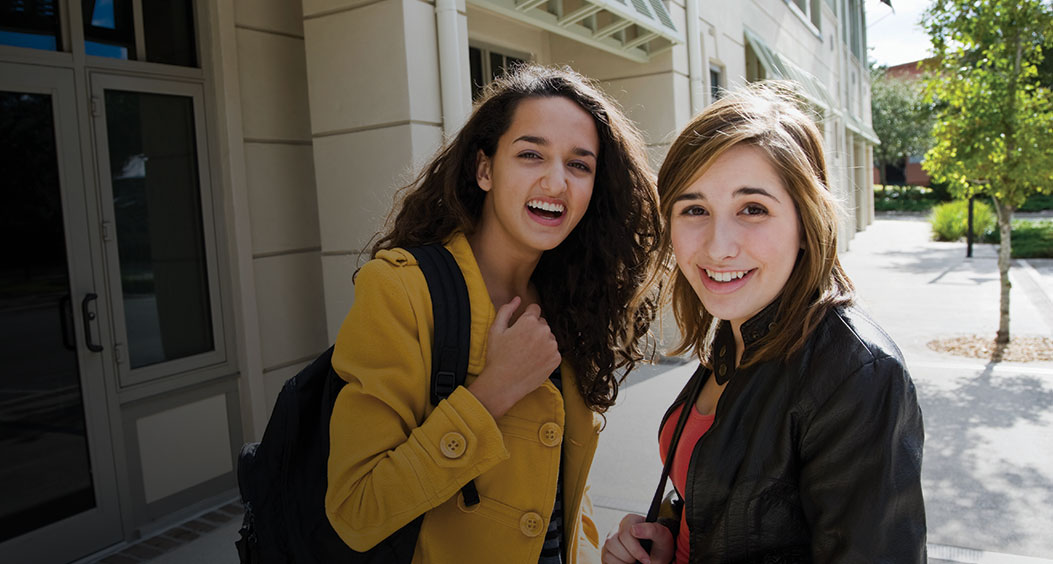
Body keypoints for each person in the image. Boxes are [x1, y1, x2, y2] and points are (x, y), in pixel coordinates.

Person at [324, 64, 672, 563]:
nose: (556, 181)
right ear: (485, 169)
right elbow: (357, 510)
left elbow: (543, 492)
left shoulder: (570, 301)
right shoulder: (402, 290)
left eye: (580, 165)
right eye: (531, 154)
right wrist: (493, 392)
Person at [604, 82, 927, 563]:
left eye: (752, 208)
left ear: (806, 223)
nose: (718, 246)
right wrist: (669, 533)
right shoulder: (734, 334)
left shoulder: (858, 376)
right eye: (695, 209)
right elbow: (739, 507)